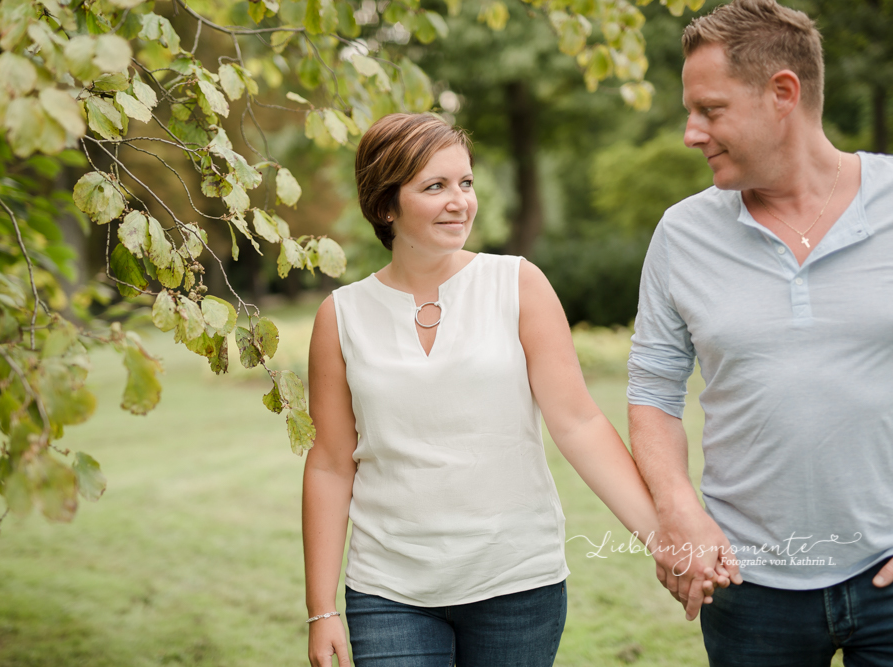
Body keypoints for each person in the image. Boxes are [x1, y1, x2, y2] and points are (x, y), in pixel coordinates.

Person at [301, 113, 677, 667]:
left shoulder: (518, 283)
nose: (460, 201)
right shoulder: (342, 316)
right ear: (386, 205)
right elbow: (331, 463)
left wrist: (661, 538)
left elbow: (578, 424)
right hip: (390, 590)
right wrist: (321, 609)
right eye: (435, 187)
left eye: (466, 182)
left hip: (517, 582)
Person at [627, 0, 893, 664]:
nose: (692, 133)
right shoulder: (681, 234)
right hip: (746, 584)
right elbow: (653, 392)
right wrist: (678, 508)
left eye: (711, 111)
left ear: (783, 93)